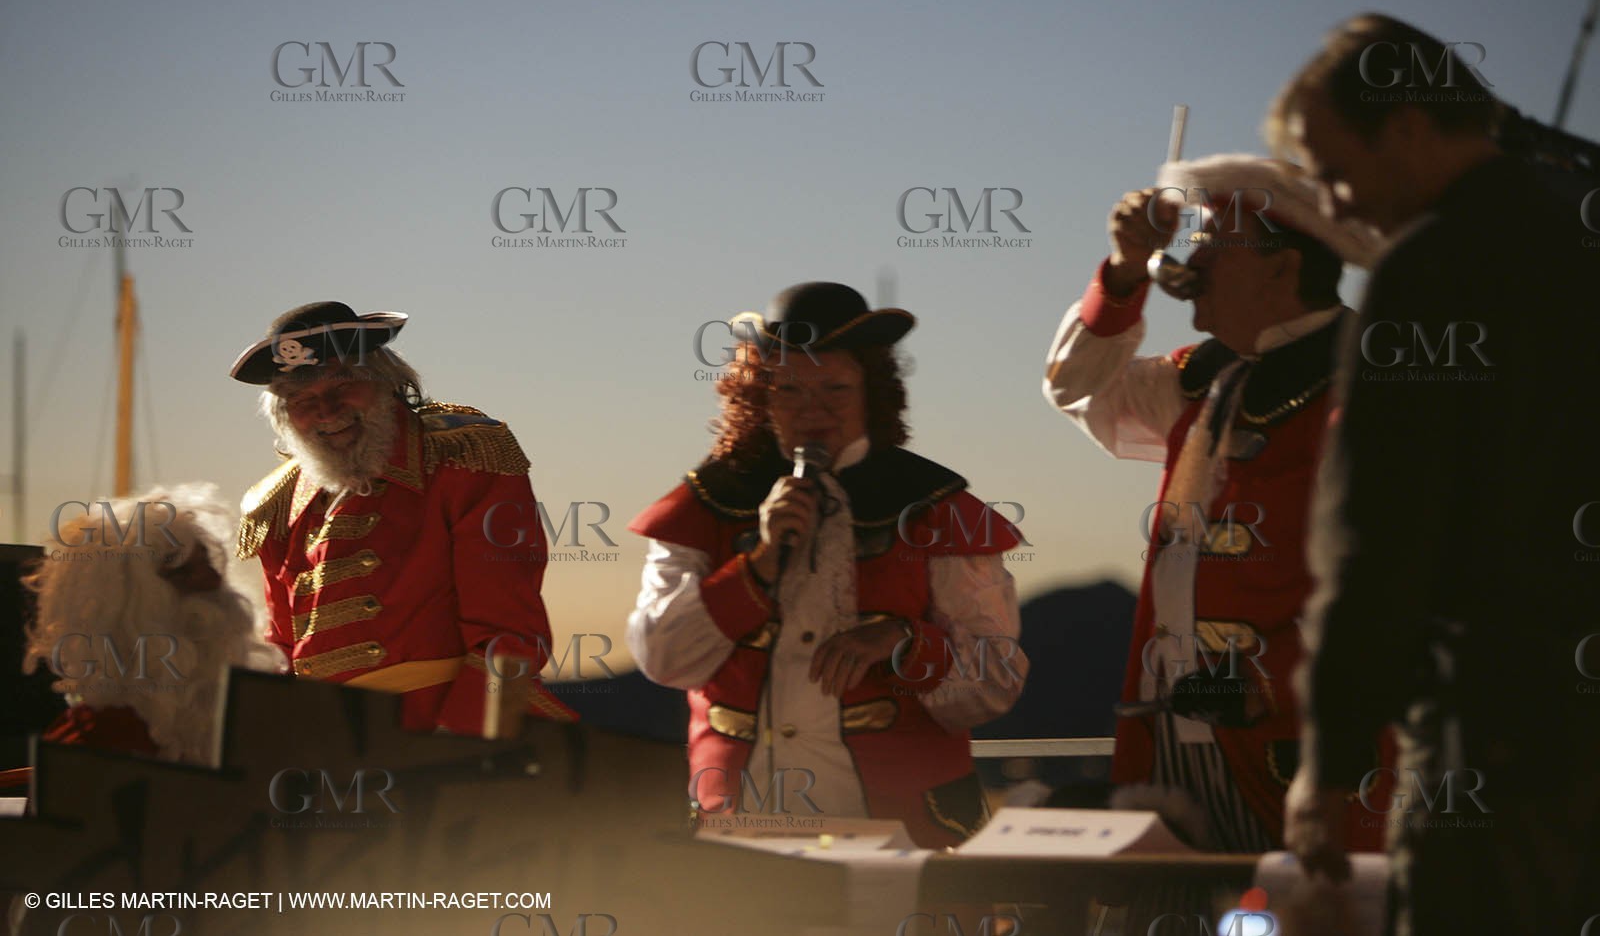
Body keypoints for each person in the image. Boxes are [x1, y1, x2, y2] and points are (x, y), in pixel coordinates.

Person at [1267, 13, 1600, 934]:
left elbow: (1378, 535)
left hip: (1499, 730)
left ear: (1408, 127)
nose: (1332, 208)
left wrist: (1329, 766)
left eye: (1333, 170)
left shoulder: (1432, 267)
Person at [1042, 155, 1388, 852]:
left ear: (1280, 267)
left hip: (1299, 761)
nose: (1189, 261)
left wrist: (1271, 691)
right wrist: (1125, 268)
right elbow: (1079, 389)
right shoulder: (1202, 376)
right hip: (1171, 745)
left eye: (1211, 244)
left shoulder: (1375, 385)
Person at [626, 282, 1027, 847]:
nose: (814, 409)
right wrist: (757, 566)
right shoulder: (706, 504)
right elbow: (664, 658)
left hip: (904, 831)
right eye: (790, 388)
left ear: (873, 395)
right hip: (740, 833)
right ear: (759, 398)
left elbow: (994, 686)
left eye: (835, 387)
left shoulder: (937, 507)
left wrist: (907, 643)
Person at [231, 301, 572, 737]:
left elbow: (509, 639)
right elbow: (280, 651)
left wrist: (471, 747)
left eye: (343, 384)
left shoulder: (462, 456)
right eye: (302, 400)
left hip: (442, 728)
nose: (327, 411)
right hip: (327, 742)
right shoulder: (278, 504)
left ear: (387, 381)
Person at [22, 484, 284, 765]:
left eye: (207, 561)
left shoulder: (270, 719)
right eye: (181, 570)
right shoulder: (88, 746)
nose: (211, 580)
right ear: (118, 604)